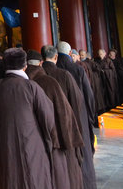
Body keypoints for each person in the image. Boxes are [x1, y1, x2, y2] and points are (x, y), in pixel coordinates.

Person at [0, 48, 55, 189]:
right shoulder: (32, 87)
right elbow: (47, 117)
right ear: (25, 66)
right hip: (32, 145)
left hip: (5, 146)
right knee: (33, 178)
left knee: (8, 178)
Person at [26, 50, 84, 189]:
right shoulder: (51, 81)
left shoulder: (18, 83)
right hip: (55, 139)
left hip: (27, 145)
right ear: (40, 63)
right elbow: (67, 111)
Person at [42, 45, 96, 189]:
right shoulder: (76, 69)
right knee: (79, 155)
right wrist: (90, 116)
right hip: (78, 117)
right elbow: (87, 95)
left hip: (51, 122)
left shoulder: (41, 74)